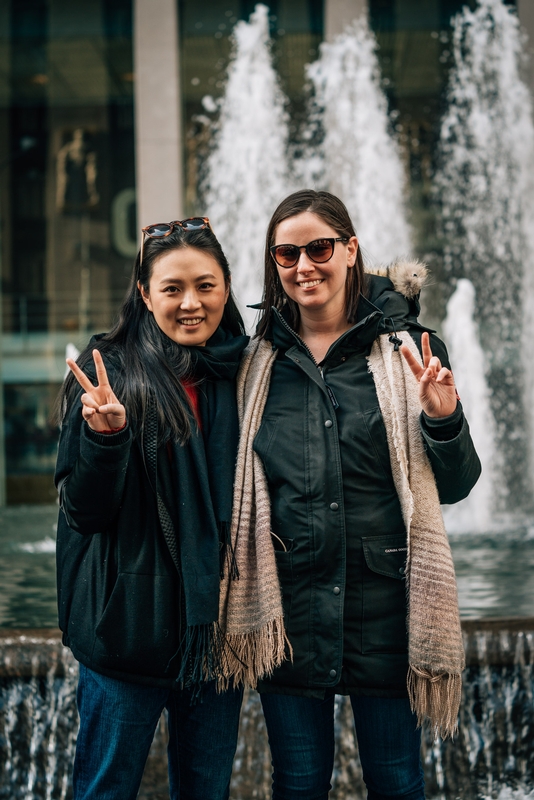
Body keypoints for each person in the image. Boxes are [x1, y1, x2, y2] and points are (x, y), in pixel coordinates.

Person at [228, 190, 481, 800]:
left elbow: (457, 484)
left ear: (350, 249)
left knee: (396, 782)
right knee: (298, 782)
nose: (303, 265)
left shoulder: (411, 351)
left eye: (318, 248)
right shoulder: (257, 362)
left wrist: (442, 418)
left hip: (386, 608)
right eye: (286, 253)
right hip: (287, 610)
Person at [55, 217, 249, 800]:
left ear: (226, 287)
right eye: (172, 288)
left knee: (206, 792)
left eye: (206, 285)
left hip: (215, 634)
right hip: (127, 634)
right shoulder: (105, 370)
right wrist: (106, 439)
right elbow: (83, 512)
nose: (191, 303)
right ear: (144, 293)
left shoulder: (245, 371)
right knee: (105, 791)